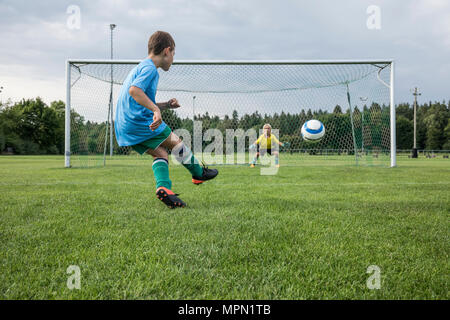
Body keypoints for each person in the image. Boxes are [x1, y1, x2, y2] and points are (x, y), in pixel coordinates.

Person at [115, 31, 218, 209]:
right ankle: (198, 173)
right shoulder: (150, 69)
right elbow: (134, 91)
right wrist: (155, 110)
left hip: (125, 126)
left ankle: (164, 188)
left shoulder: (140, 67)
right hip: (139, 122)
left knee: (161, 154)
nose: (173, 59)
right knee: (176, 143)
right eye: (173, 55)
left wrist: (164, 105)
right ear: (167, 51)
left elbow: (140, 99)